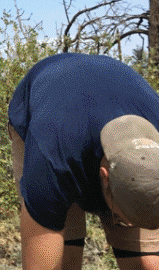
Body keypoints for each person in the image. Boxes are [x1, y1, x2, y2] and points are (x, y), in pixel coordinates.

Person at [9, 52, 159, 270]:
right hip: (51, 117)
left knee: (147, 263)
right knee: (64, 260)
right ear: (104, 178)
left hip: (108, 106)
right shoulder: (52, 159)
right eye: (123, 218)